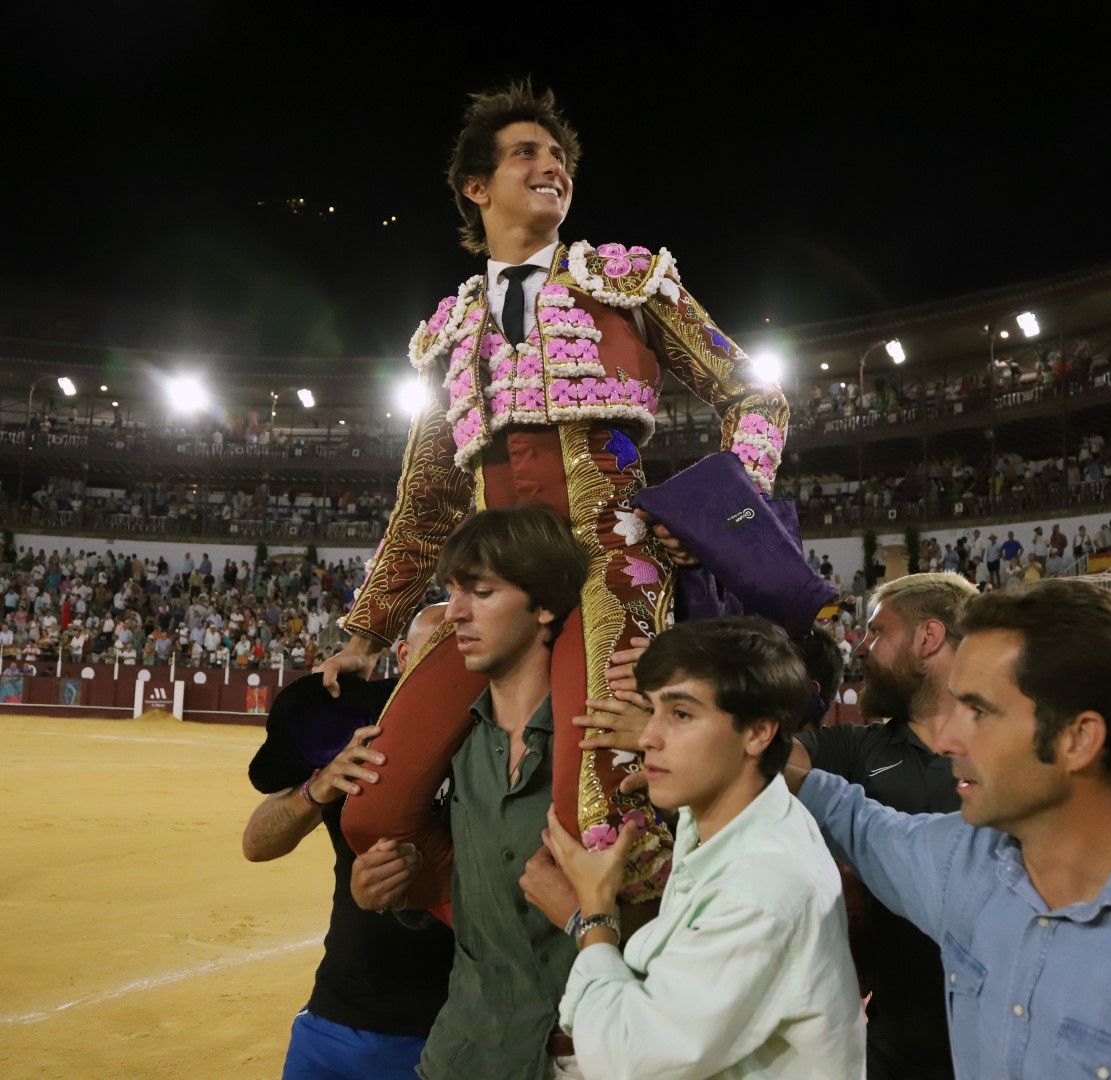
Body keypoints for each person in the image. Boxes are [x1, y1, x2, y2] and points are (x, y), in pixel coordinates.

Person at [318, 82, 790, 911]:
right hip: (494, 585)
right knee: (376, 812)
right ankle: (516, 931)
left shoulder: (631, 283)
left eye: (559, 157)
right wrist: (365, 632)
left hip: (614, 561)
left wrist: (718, 516)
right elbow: (430, 498)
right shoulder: (446, 335)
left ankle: (622, 982)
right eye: (526, 154)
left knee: (604, 810)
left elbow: (754, 397)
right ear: (476, 187)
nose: (552, 167)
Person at [785, 579, 1111, 1077]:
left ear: (1077, 739)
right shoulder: (962, 861)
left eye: (979, 711)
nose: (948, 740)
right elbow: (850, 815)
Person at [545, 617, 865, 1079]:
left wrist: (593, 918)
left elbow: (629, 1059)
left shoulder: (763, 887)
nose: (649, 736)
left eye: (681, 714)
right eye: (652, 710)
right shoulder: (740, 818)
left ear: (758, 733)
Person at [368, 504, 612, 1077]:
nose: (454, 613)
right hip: (464, 1053)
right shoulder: (445, 754)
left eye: (479, 592)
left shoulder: (612, 744)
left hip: (584, 1057)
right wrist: (391, 884)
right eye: (453, 591)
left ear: (545, 606)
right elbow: (453, 886)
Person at [241, 604, 454, 1079]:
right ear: (402, 655)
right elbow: (257, 842)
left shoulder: (508, 735)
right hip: (340, 1017)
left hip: (457, 1029)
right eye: (435, 647)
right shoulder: (359, 732)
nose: (449, 663)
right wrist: (315, 790)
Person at [787, 573, 973, 1079]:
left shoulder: (1011, 753)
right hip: (893, 1046)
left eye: (877, 632)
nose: (862, 648)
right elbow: (764, 760)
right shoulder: (854, 748)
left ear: (928, 637)